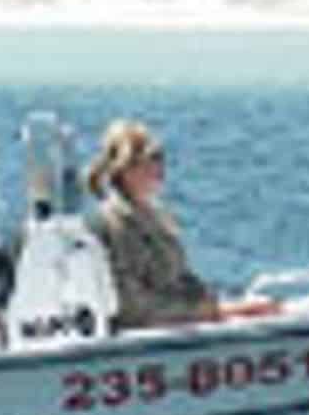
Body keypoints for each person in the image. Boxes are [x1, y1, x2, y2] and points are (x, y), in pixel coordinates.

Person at [86, 119, 279, 330]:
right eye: (149, 159)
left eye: (160, 158)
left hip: (179, 325)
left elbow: (184, 282)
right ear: (125, 168)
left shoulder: (158, 217)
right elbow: (133, 309)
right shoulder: (113, 224)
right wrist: (218, 313)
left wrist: (227, 306)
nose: (159, 168)